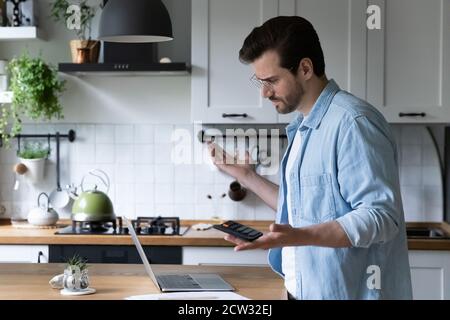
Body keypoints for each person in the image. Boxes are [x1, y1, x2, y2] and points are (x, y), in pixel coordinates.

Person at [208, 16, 412, 300]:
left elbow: (381, 217)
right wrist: (245, 176)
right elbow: (301, 207)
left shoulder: (353, 123)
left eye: (272, 81)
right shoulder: (303, 129)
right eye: (260, 81)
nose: (265, 93)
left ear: (305, 68)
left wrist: (297, 236)